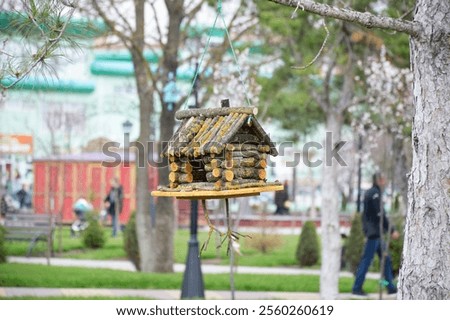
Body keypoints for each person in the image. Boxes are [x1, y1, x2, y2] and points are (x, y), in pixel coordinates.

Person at [352, 172, 400, 296]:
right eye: (384, 179)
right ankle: (357, 288)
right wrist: (392, 230)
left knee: (386, 260)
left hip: (376, 234)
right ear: (379, 180)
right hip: (373, 234)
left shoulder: (375, 193)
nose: (385, 181)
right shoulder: (374, 194)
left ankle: (389, 287)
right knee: (366, 261)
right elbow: (380, 215)